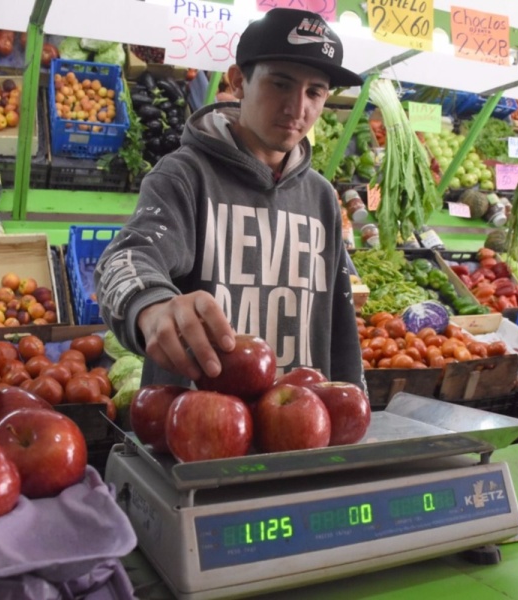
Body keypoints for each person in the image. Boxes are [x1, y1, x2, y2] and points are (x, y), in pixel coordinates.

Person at [94, 8, 366, 391]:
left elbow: (340, 321)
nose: (297, 108)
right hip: (197, 427)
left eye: (314, 92)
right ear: (238, 81)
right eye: (280, 84)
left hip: (301, 429)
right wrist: (152, 307)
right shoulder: (184, 176)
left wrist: (352, 401)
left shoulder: (320, 196)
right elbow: (125, 258)